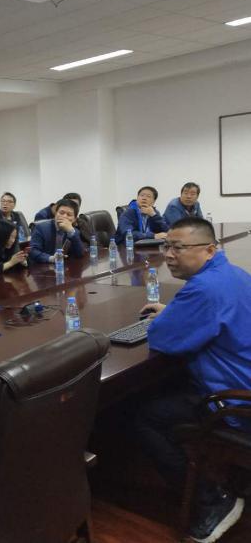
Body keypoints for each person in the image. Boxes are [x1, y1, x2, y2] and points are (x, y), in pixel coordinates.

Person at [135, 217, 251, 542]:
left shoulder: (203, 289)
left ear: (210, 250)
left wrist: (172, 317)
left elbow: (162, 338)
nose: (168, 255)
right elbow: (208, 312)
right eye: (166, 246)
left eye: (178, 248)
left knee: (145, 417)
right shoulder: (232, 274)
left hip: (237, 401)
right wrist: (176, 311)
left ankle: (213, 502)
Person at [29, 198, 85, 263]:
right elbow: (33, 251)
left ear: (74, 219)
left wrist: (71, 232)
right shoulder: (41, 228)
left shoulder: (74, 231)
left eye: (69, 215)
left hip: (64, 266)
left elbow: (80, 253)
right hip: (44, 266)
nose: (64, 216)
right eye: (61, 213)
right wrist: (51, 258)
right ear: (55, 213)